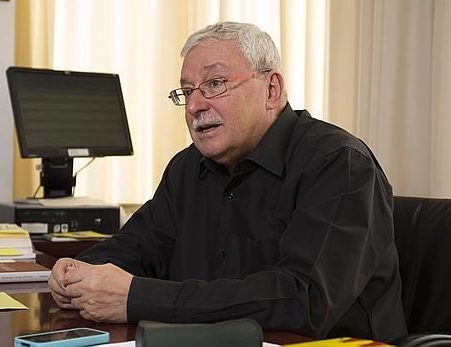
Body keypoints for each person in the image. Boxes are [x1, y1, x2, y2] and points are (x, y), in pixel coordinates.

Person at [48, 21, 407, 341]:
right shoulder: (187, 168)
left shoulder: (338, 164)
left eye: (215, 84)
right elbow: (138, 248)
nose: (194, 107)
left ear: (271, 90)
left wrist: (135, 298)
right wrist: (79, 274)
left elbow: (303, 300)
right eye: (187, 92)